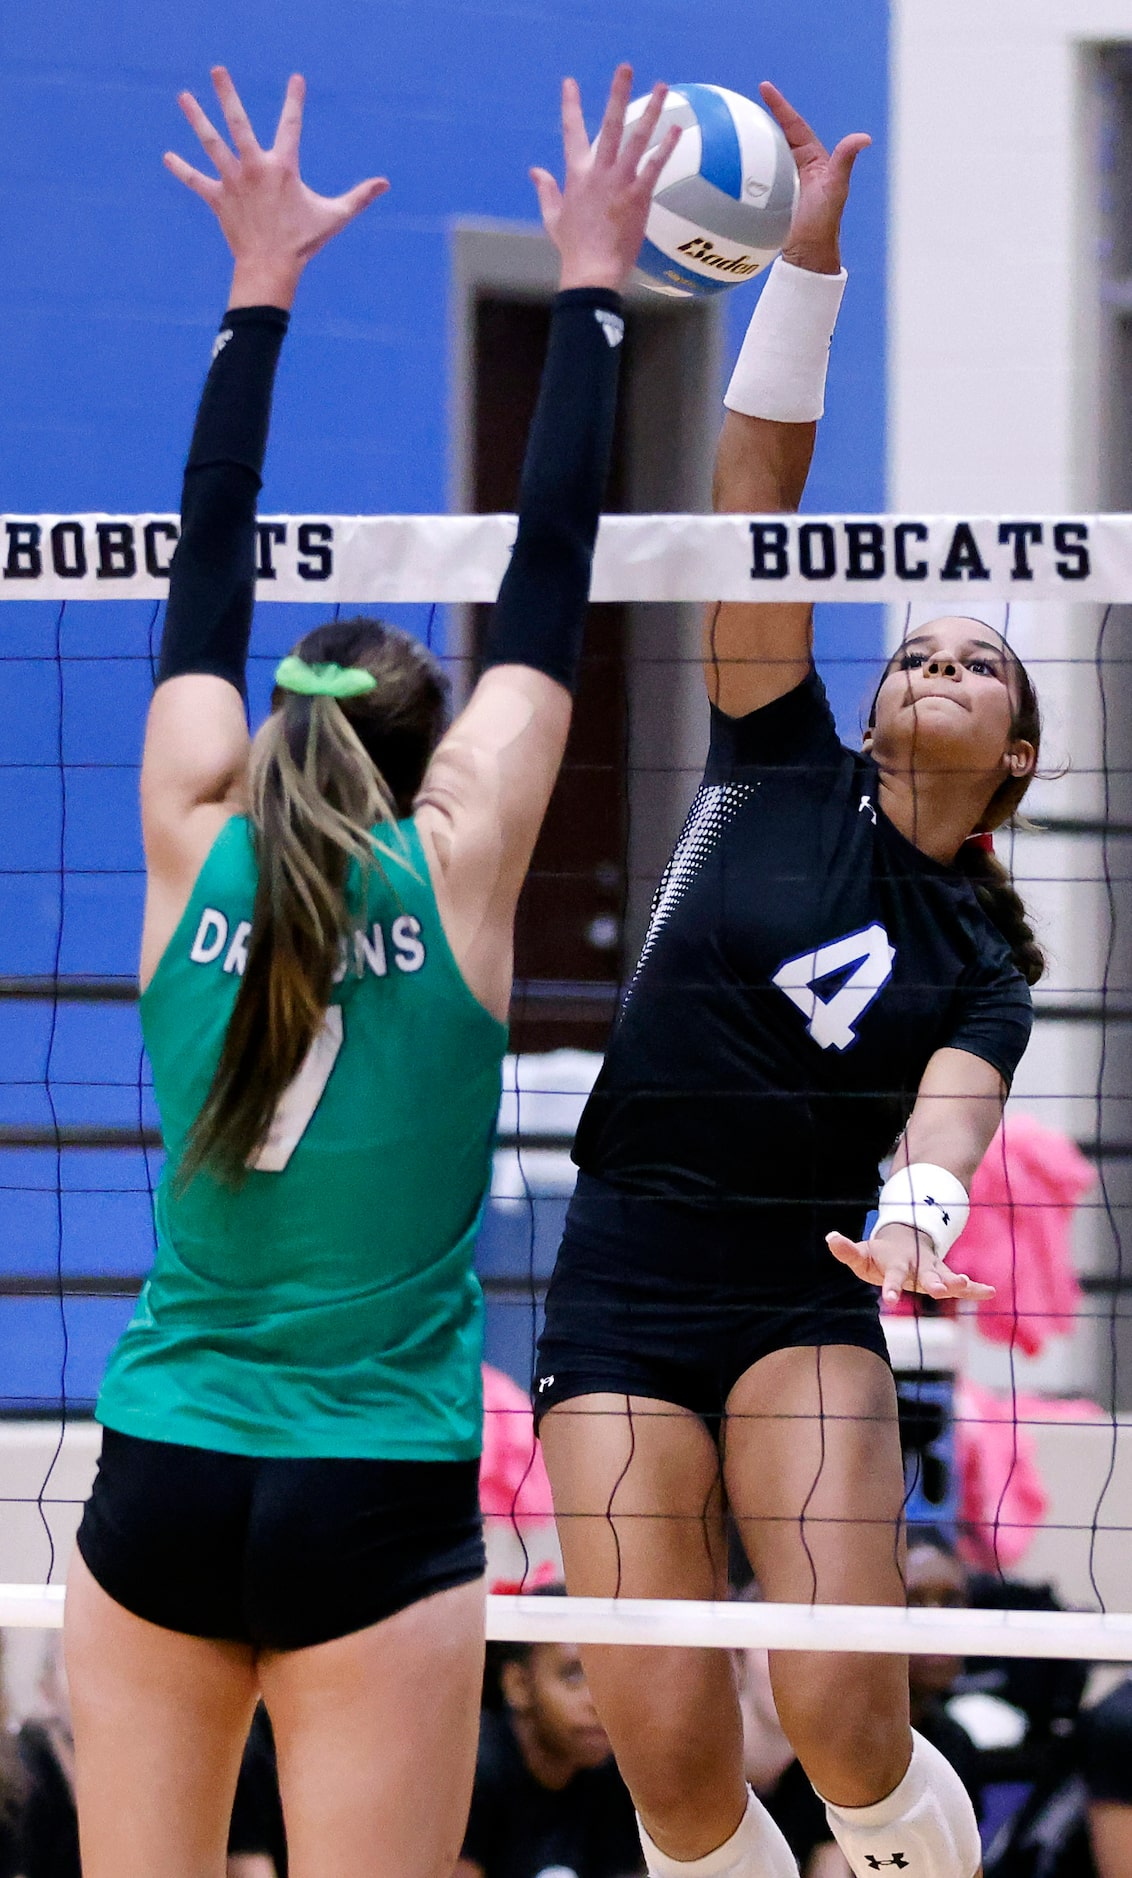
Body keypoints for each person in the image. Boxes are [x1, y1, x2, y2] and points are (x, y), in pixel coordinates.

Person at [62, 61, 679, 1878]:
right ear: (425, 759)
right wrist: (594, 282)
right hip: (378, 1489)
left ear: (268, 742)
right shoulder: (465, 854)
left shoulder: (191, 835)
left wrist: (259, 289)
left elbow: (201, 575)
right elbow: (552, 569)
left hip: (163, 1466)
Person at [534, 79, 1045, 1878]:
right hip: (622, 1264)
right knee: (667, 1760)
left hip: (793, 1282)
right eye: (921, 636)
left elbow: (954, 1109)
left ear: (1012, 759)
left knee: (837, 1704)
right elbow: (753, 493)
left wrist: (913, 1215)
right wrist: (807, 260)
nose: (933, 653)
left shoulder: (985, 952)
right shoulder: (772, 751)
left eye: (976, 657)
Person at [457, 1589, 644, 1878]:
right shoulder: (473, 1771)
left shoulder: (617, 1777)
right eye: (573, 1675)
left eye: (607, 1677)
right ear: (518, 1684)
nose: (597, 1702)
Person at [904, 1533, 983, 1815]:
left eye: (951, 1602)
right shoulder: (835, 1740)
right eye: (912, 1602)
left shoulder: (954, 1743)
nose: (935, 1621)